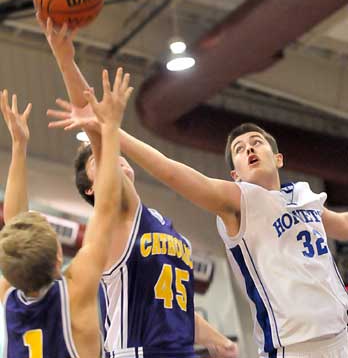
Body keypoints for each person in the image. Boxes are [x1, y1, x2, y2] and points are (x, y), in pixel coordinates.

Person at [49, 90, 348, 358]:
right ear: (235, 175)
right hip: (295, 346)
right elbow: (171, 172)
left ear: (279, 158)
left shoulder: (303, 197)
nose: (249, 149)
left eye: (256, 143)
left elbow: (343, 224)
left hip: (342, 333)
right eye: (240, 150)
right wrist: (112, 130)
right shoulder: (239, 201)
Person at [39, 17, 238, 358]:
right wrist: (66, 61)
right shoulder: (118, 215)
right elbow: (96, 126)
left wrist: (219, 341)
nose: (113, 162)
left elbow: (174, 308)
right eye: (98, 164)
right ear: (92, 189)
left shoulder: (159, 223)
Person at [0, 66, 132, 358]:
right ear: (60, 257)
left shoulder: (8, 294)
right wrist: (110, 129)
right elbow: (108, 206)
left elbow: (14, 225)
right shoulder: (74, 293)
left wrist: (19, 147)